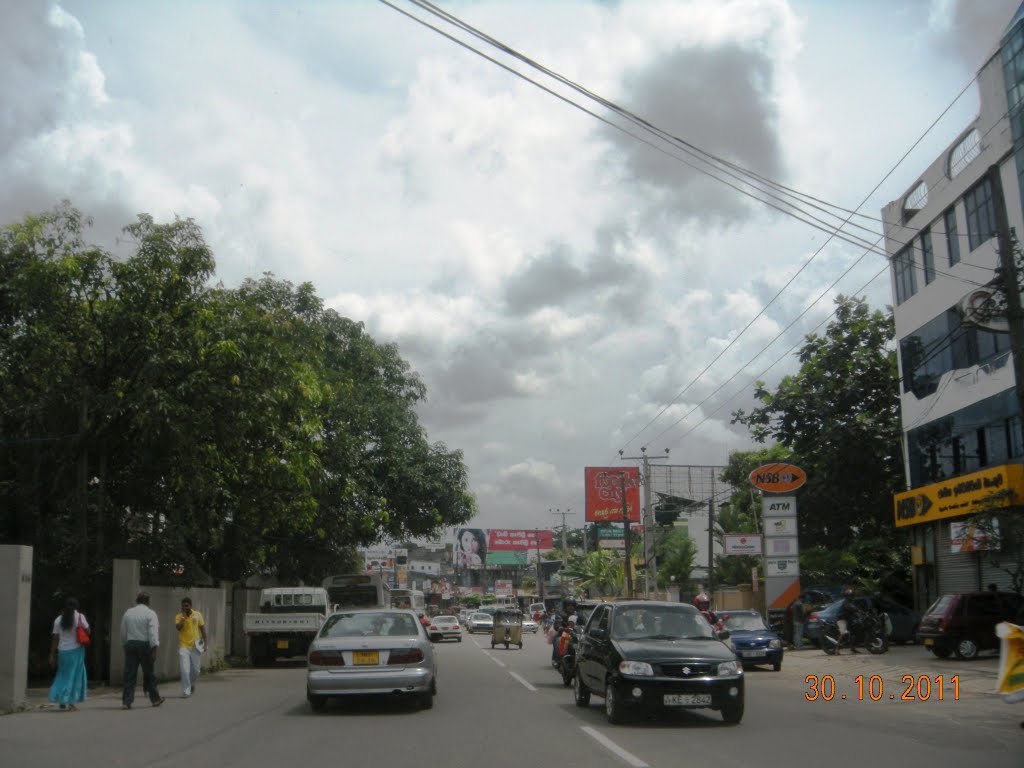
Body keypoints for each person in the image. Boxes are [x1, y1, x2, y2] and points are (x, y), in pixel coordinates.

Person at [120, 591, 164, 709]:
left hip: (131, 644)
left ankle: (126, 701)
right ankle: (155, 699)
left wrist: (125, 645)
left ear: (137, 601)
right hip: (145, 645)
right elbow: (153, 633)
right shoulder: (150, 613)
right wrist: (154, 649)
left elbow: (123, 631)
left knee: (129, 674)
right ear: (148, 601)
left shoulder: (128, 613)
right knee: (149, 674)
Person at [48, 597, 90, 711]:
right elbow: (88, 631)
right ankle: (70, 703)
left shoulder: (58, 619)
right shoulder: (80, 617)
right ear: (77, 606)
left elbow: (55, 638)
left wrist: (52, 654)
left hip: (62, 651)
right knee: (74, 676)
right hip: (77, 650)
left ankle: (61, 698)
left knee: (62, 674)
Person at [175, 597, 208, 698]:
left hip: (196, 646)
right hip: (183, 646)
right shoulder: (179, 616)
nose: (185, 608)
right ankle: (186, 691)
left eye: (187, 606)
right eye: (183, 606)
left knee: (196, 670)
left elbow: (202, 629)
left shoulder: (197, 615)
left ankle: (192, 684)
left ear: (190, 606)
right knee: (185, 670)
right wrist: (183, 619)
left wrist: (206, 643)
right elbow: (178, 628)